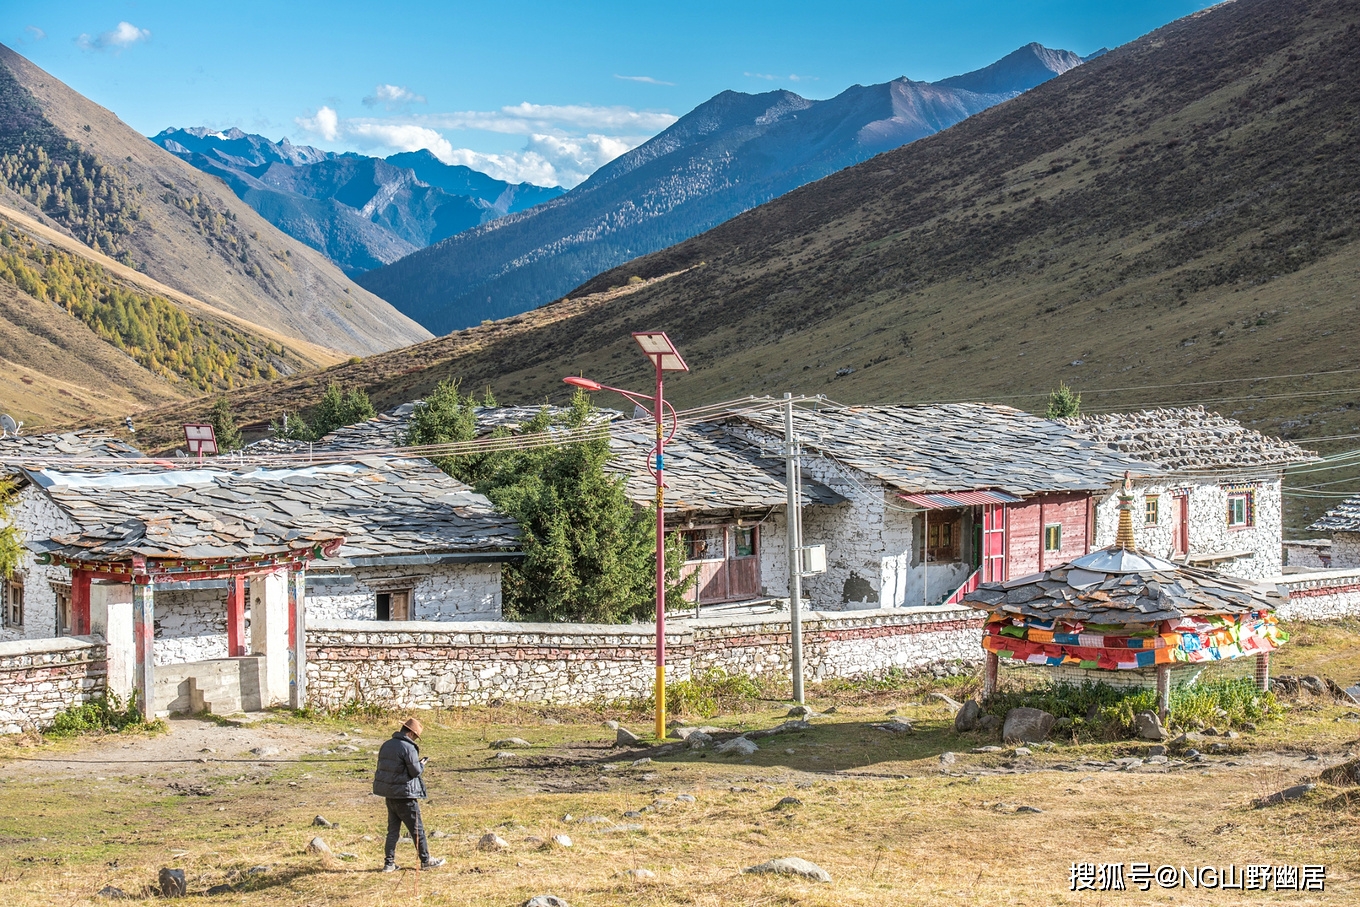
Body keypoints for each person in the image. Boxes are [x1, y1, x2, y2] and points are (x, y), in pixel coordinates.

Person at [372, 716, 445, 871]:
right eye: (416, 736)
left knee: (393, 831)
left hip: (389, 794)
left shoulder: (386, 745)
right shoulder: (408, 747)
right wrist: (422, 764)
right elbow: (415, 771)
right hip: (405, 795)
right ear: (411, 734)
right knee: (417, 829)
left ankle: (389, 863)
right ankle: (426, 860)